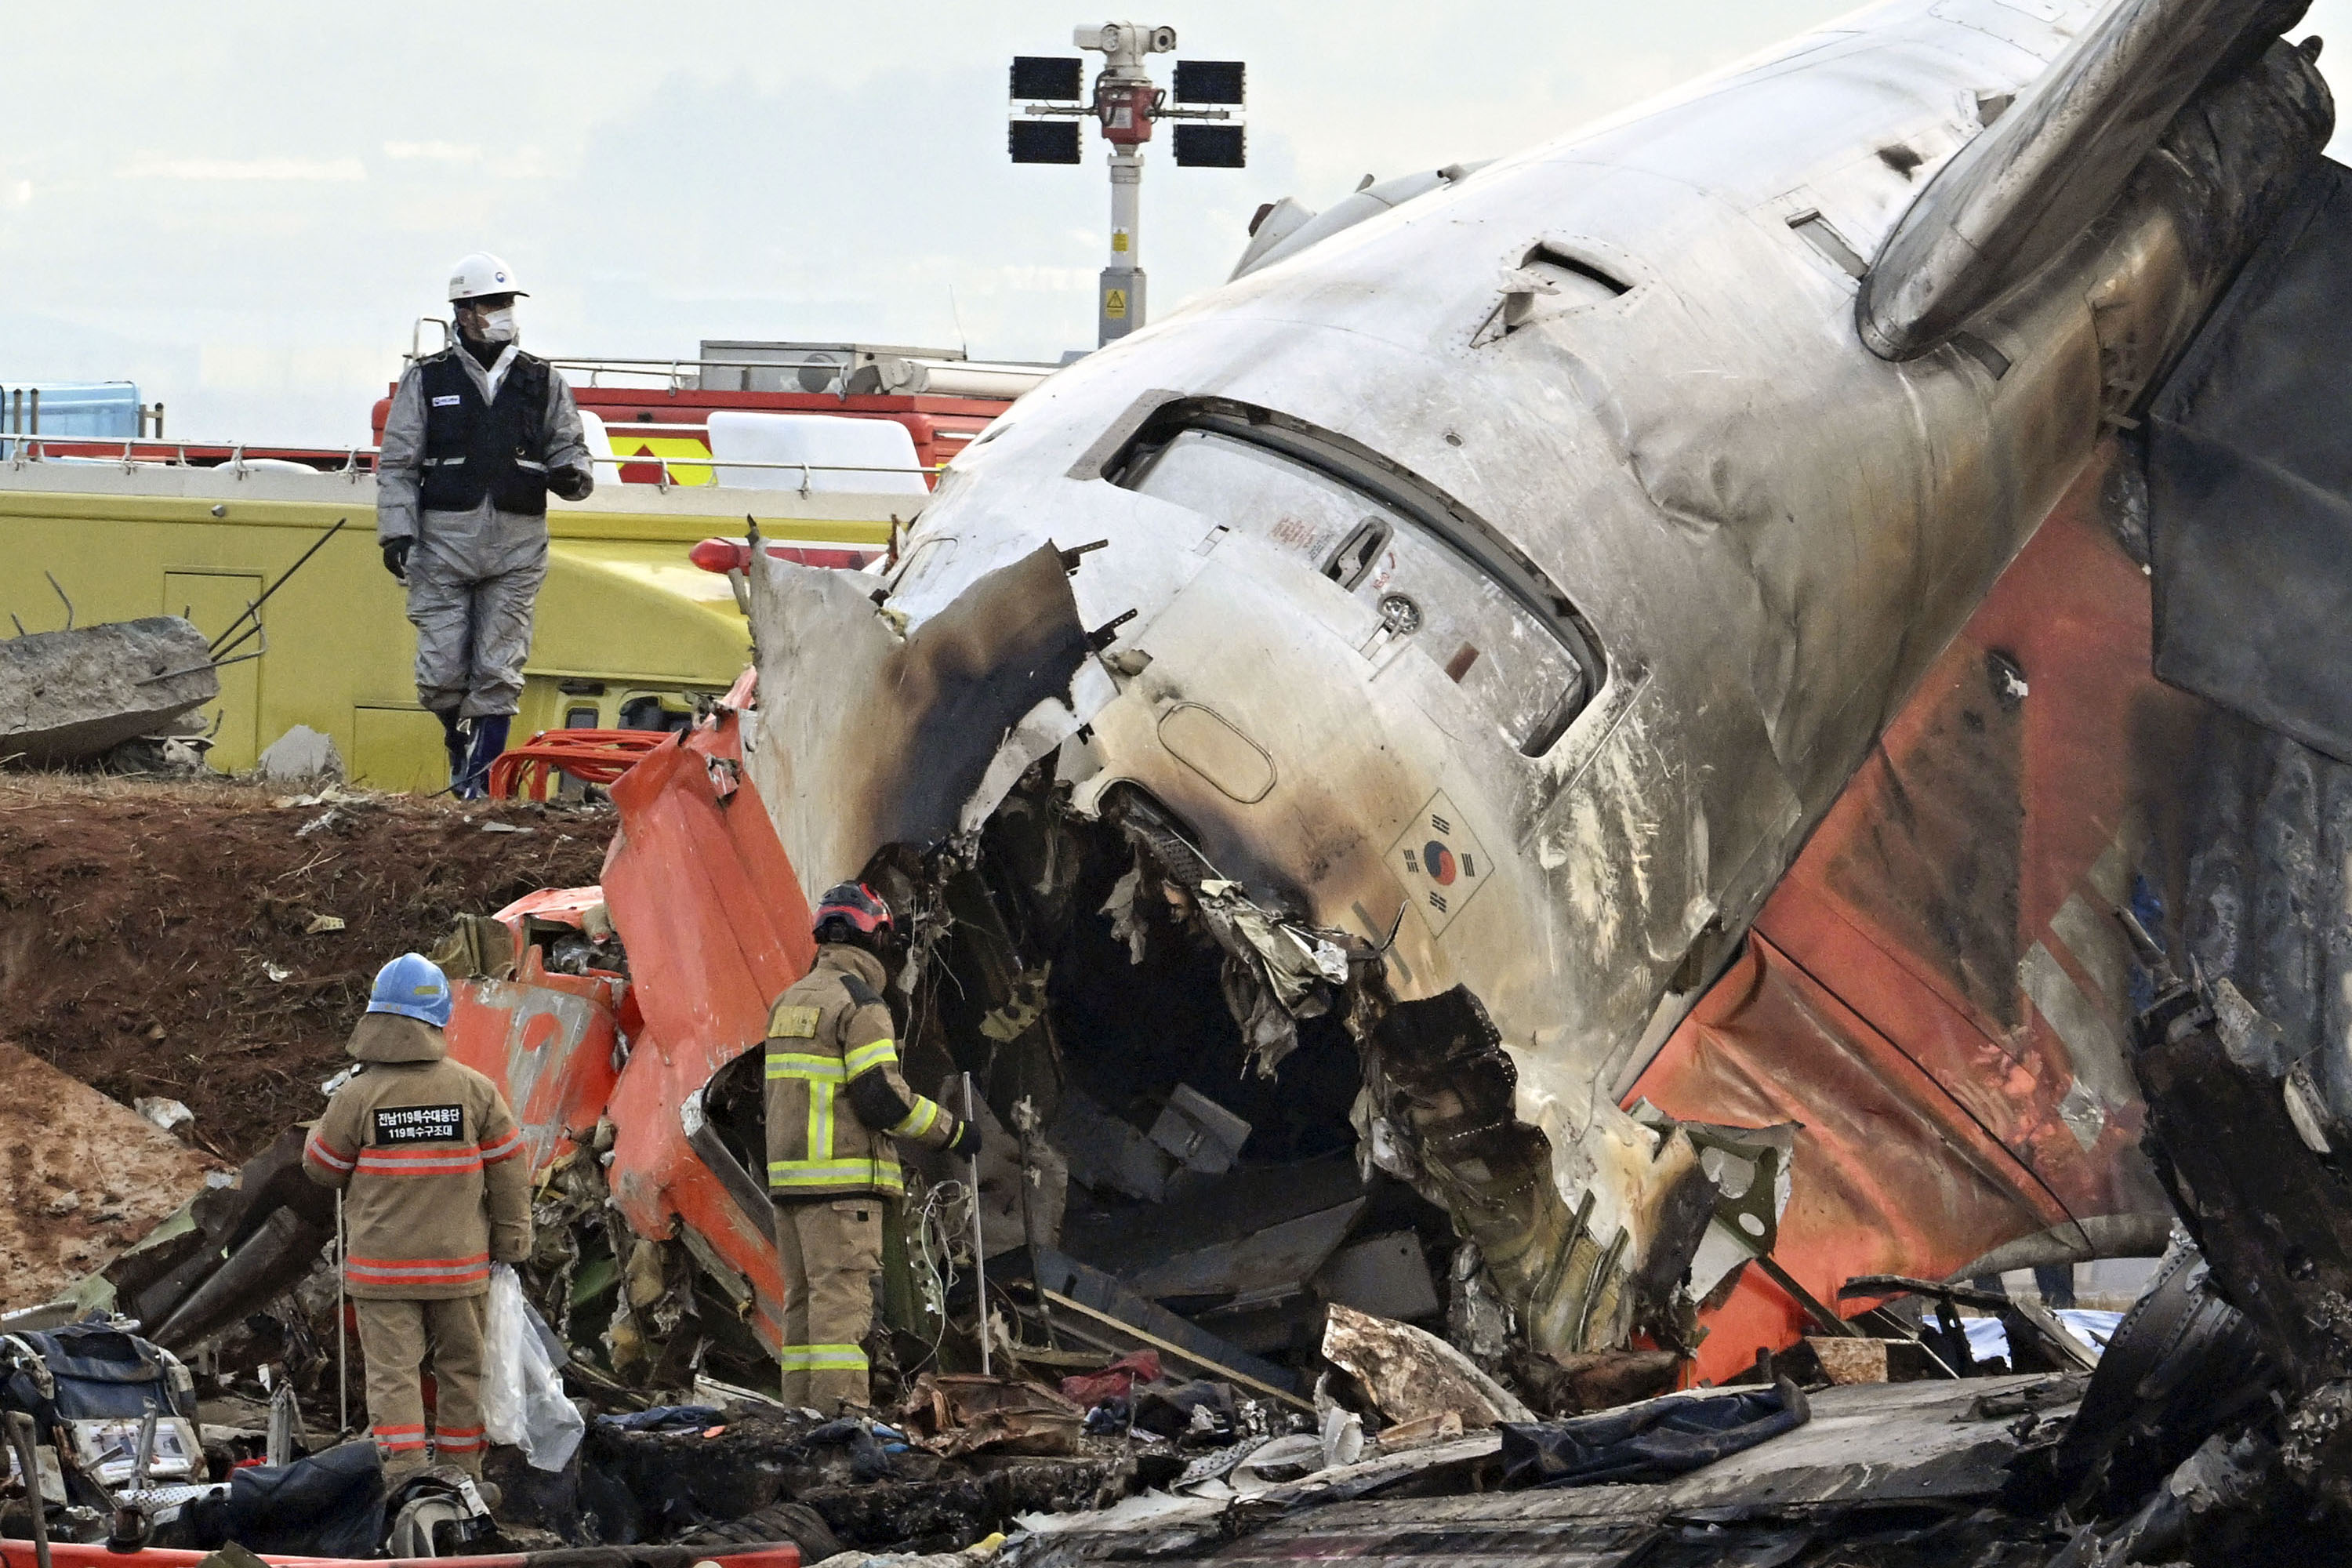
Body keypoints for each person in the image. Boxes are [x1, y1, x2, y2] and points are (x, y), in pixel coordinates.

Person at [303, 953, 532, 1487]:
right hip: (460, 1270)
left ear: (377, 1017)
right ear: (439, 1019)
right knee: (462, 1375)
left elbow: (323, 1170)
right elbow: (509, 1173)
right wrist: (513, 1244)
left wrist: (324, 1124)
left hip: (383, 1275)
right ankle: (463, 1483)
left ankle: (406, 1485)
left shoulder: (356, 1095)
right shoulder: (476, 1091)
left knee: (394, 1379)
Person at [377, 252, 593, 799]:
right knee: (441, 672)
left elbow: (570, 445)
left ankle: (483, 777)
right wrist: (396, 532)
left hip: (517, 543)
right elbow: (399, 463)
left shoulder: (541, 381)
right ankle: (457, 738)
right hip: (442, 542)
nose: (501, 314)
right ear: (464, 311)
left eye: (506, 304)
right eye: (490, 305)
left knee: (501, 666)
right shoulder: (427, 380)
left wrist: (574, 476)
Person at [764, 883, 980, 1411]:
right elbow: (882, 1098)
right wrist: (953, 1131)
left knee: (804, 1312)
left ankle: (801, 1422)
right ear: (875, 937)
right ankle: (840, 1427)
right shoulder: (861, 1004)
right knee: (842, 1313)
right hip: (841, 1188)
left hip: (791, 1186)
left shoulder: (789, 1000)